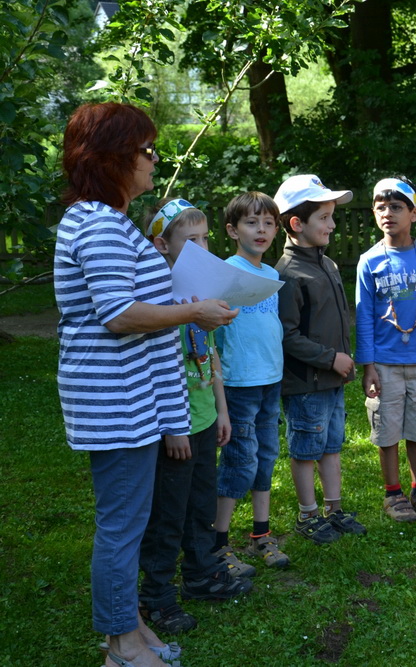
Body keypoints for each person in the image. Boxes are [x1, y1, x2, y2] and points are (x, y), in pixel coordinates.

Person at [55, 101, 236, 667]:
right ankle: (121, 647)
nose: (154, 159)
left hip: (129, 401)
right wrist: (194, 313)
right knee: (122, 526)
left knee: (129, 523)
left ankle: (130, 625)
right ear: (114, 157)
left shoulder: (105, 221)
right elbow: (119, 314)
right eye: (146, 150)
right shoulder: (100, 224)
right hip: (116, 404)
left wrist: (188, 307)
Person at [137, 200, 252, 640]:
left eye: (206, 239)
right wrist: (173, 427)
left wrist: (221, 409)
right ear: (161, 245)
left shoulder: (201, 295)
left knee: (201, 504)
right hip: (176, 427)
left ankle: (202, 574)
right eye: (191, 241)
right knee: (169, 513)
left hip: (204, 420)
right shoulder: (157, 300)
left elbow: (210, 354)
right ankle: (156, 596)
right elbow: (156, 368)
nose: (203, 248)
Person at [273, 174, 367, 543]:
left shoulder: (327, 265)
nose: (332, 225)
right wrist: (331, 359)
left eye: (332, 216)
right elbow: (287, 335)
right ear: (297, 224)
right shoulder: (288, 273)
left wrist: (339, 362)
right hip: (306, 384)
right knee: (305, 450)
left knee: (331, 446)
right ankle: (307, 515)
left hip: (331, 380)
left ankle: (334, 510)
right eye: (324, 218)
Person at [356, 177, 416, 522]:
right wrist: (368, 365)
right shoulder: (369, 261)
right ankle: (392, 492)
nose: (388, 214)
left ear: (415, 213)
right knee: (387, 428)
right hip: (385, 363)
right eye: (381, 207)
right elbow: (364, 316)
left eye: (396, 207)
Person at [212, 192, 290, 571]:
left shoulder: (272, 275)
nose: (261, 230)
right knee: (239, 462)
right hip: (239, 383)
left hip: (270, 380)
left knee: (266, 457)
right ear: (232, 230)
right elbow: (214, 335)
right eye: (251, 222)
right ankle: (217, 543)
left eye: (268, 223)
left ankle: (261, 534)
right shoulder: (226, 273)